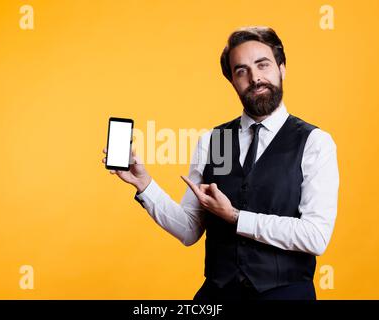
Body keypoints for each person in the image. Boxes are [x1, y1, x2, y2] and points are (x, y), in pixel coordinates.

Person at [102, 26, 339, 300]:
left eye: (262, 65)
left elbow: (315, 236)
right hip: (218, 293)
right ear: (232, 81)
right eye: (241, 71)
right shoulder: (212, 141)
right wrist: (144, 184)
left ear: (282, 68)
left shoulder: (314, 142)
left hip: (285, 293)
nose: (255, 78)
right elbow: (189, 229)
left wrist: (236, 218)